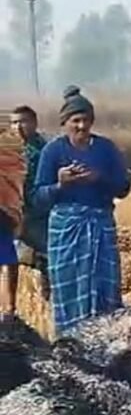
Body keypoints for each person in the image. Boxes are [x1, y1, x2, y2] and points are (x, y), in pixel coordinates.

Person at [34, 86, 131, 335]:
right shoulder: (53, 151)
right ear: (64, 122)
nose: (81, 126)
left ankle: (106, 338)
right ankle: (69, 340)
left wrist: (99, 179)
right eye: (75, 120)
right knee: (68, 287)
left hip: (100, 225)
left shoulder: (106, 149)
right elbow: (38, 198)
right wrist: (60, 185)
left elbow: (123, 188)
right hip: (66, 230)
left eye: (86, 120)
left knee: (104, 287)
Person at [12, 105, 50, 301]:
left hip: (38, 215)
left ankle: (47, 301)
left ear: (34, 123)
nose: (18, 127)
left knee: (46, 258)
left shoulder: (45, 151)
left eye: (23, 121)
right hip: (13, 212)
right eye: (14, 122)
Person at [0, 117, 25, 322]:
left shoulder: (10, 150)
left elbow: (16, 175)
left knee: (8, 259)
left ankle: (10, 309)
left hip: (4, 211)